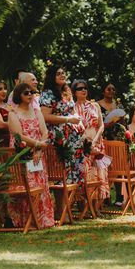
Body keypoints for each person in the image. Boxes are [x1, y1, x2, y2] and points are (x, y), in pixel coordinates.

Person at [7, 82, 55, 229]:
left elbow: (45, 132)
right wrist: (37, 145)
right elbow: (18, 136)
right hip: (22, 153)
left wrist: (39, 150)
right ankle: (25, 220)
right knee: (26, 185)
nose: (30, 95)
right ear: (18, 95)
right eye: (26, 93)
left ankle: (42, 220)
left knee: (40, 185)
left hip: (37, 154)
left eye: (31, 93)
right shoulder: (13, 114)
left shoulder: (37, 111)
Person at [39, 65, 84, 184]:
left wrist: (79, 121)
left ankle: (73, 200)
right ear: (51, 77)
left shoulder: (66, 92)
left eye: (63, 73)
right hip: (59, 137)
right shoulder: (47, 94)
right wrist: (68, 120)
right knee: (62, 172)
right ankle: (62, 202)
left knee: (75, 169)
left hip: (73, 137)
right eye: (58, 74)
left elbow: (73, 111)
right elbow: (44, 116)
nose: (62, 75)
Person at [72, 79, 109, 215]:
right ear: (74, 92)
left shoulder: (95, 106)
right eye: (80, 88)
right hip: (81, 144)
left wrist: (95, 140)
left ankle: (96, 207)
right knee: (85, 174)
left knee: (98, 174)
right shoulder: (73, 107)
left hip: (97, 142)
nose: (83, 90)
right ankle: (83, 206)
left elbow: (101, 125)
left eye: (85, 88)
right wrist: (85, 142)